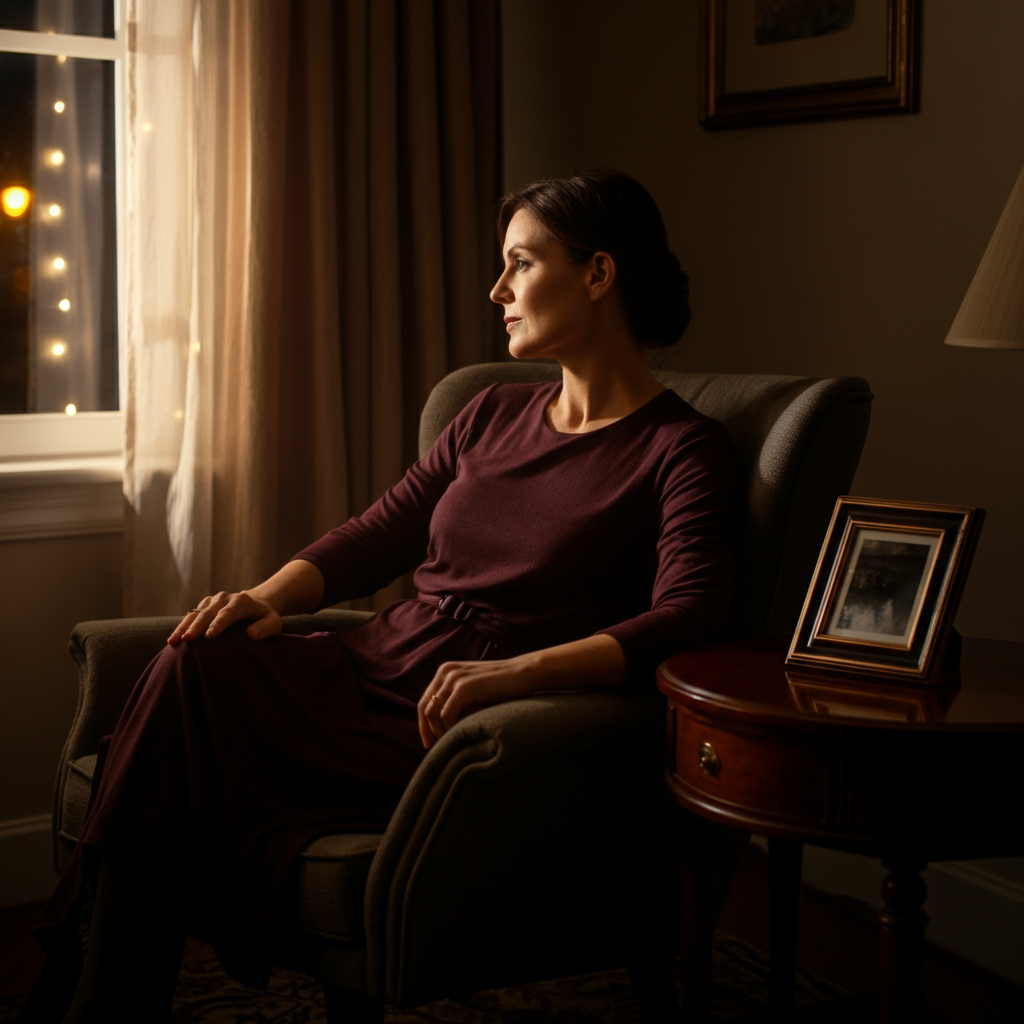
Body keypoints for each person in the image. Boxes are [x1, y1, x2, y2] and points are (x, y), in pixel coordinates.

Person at [20, 171, 737, 1023]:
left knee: (176, 742)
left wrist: (517, 676)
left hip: (465, 716)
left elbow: (691, 617)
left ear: (598, 273)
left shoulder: (684, 452)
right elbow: (378, 533)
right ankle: (99, 998)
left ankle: (82, 995)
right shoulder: (489, 414)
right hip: (381, 659)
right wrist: (265, 595)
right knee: (195, 661)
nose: (497, 290)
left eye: (519, 263)